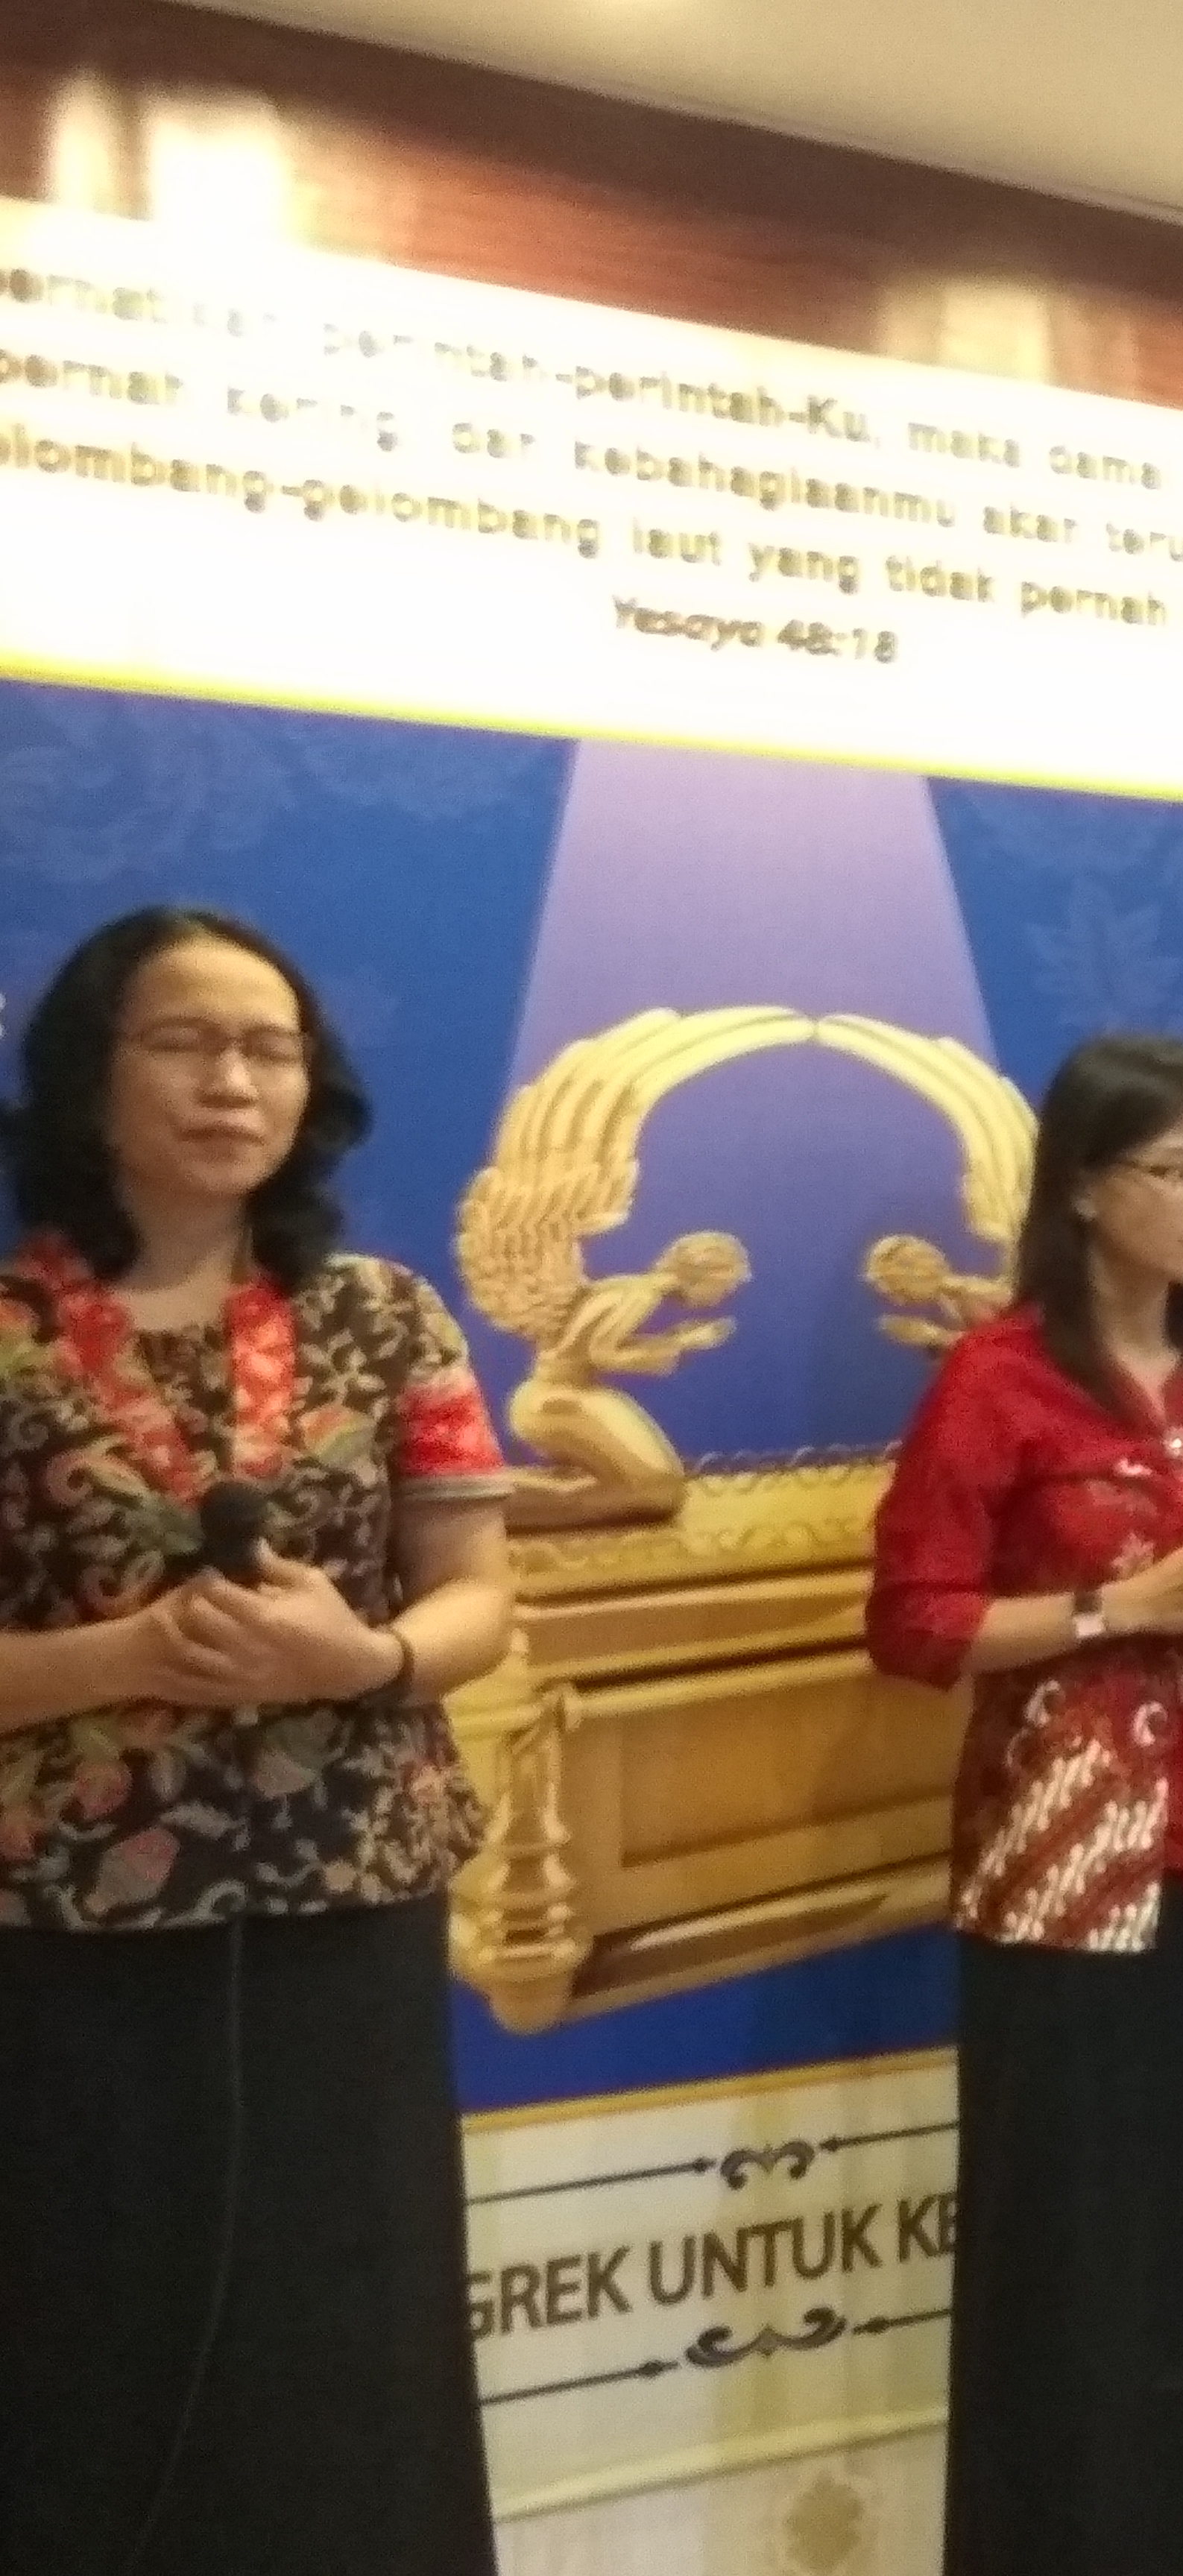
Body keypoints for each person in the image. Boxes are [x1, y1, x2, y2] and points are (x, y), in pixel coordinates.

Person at [0, 906, 517, 2576]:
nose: (234, 1081)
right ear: (91, 1076)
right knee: (90, 2346)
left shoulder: (386, 1316)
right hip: (69, 1928)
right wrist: (129, 1657)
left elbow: (477, 1603)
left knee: (350, 2348)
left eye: (269, 1049)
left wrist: (363, 1658)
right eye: (186, 1043)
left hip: (346, 1906)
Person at [865, 1032, 1183, 2576]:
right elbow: (913, 1625)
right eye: (1178, 1169)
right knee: (1081, 2245)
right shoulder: (995, 1381)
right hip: (1069, 1872)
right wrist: (1118, 1607)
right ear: (1081, 1186)